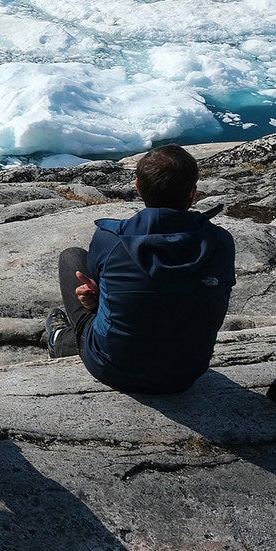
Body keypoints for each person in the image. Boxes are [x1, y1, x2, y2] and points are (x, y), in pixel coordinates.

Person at [45, 144, 235, 394]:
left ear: (137, 187)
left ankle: (61, 339)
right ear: (192, 193)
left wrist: (99, 298)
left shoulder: (111, 239)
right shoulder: (220, 242)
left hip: (112, 368)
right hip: (187, 374)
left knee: (72, 257)